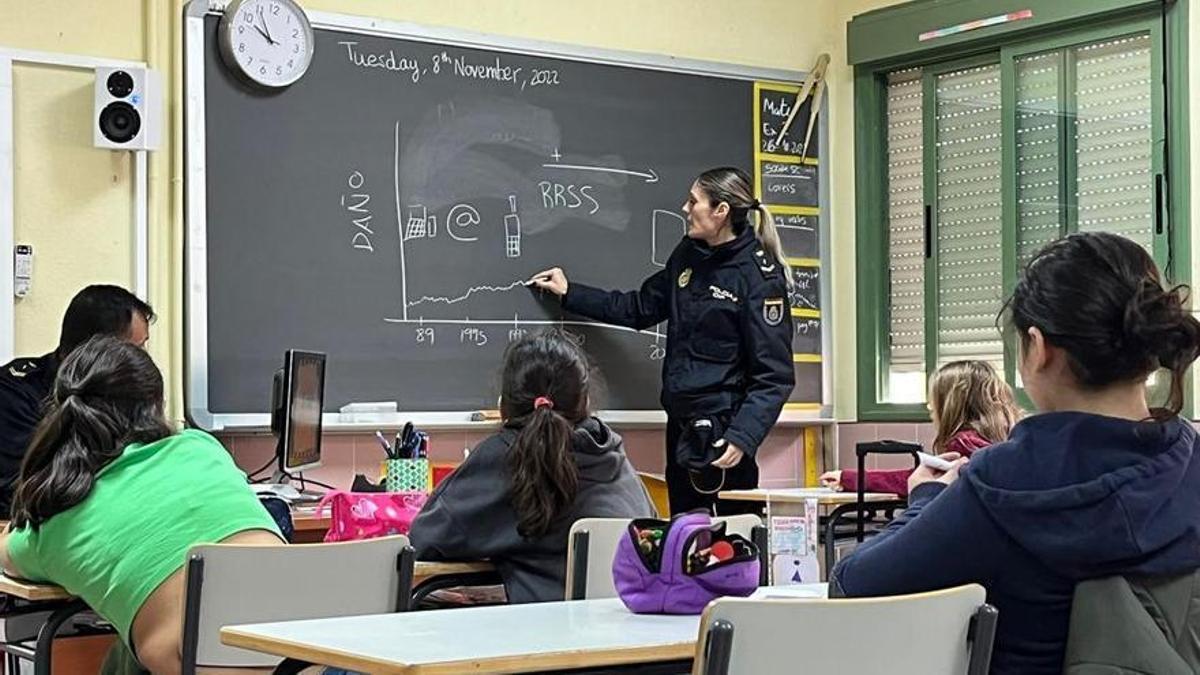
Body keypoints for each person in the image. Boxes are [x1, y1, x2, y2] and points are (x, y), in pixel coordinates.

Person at [832, 232, 1200, 674]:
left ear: (1039, 348)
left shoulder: (1002, 487)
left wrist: (925, 499)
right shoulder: (1191, 463)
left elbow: (852, 589)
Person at [0, 336, 282, 674]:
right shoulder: (201, 446)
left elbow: (8, 557)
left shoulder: (56, 519)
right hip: (302, 656)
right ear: (156, 405)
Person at [530, 167, 795, 515]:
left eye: (694, 201)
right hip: (682, 425)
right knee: (682, 541)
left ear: (721, 211)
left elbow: (774, 376)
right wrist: (571, 294)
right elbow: (639, 308)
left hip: (724, 433)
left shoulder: (758, 279)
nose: (685, 209)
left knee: (730, 550)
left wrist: (742, 436)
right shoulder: (689, 255)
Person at [409, 331, 654, 603]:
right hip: (629, 632)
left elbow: (423, 540)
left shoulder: (505, 456)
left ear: (504, 406)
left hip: (544, 634)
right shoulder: (611, 453)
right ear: (585, 402)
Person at [0, 284, 153, 515]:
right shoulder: (15, 393)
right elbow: (22, 491)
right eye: (136, 349)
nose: (141, 360)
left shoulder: (128, 394)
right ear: (97, 349)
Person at [819, 360, 1020, 496]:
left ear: (950, 403)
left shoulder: (963, 445)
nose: (929, 406)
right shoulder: (1006, 438)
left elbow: (913, 481)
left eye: (934, 399)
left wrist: (850, 478)